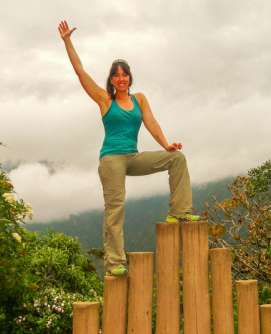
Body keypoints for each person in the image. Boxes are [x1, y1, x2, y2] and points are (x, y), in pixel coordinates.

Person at [58, 20, 199, 276]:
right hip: (111, 159)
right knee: (115, 209)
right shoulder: (104, 99)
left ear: (129, 77)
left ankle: (180, 211)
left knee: (177, 158)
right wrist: (67, 41)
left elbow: (151, 122)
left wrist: (166, 145)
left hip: (132, 157)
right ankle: (115, 263)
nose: (121, 78)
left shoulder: (139, 99)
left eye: (124, 74)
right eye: (116, 74)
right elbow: (80, 71)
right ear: (111, 79)